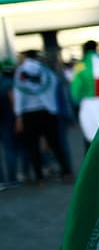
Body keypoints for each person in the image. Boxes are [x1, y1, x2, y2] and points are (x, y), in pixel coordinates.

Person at [13, 50, 73, 184]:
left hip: (29, 113)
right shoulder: (45, 70)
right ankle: (67, 172)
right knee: (55, 144)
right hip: (47, 111)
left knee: (33, 146)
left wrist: (18, 115)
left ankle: (40, 177)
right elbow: (54, 85)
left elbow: (19, 93)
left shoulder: (21, 71)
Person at [0, 59, 19, 189]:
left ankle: (1, 181)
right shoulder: (9, 83)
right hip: (7, 120)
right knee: (10, 150)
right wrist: (18, 118)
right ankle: (12, 179)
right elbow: (13, 101)